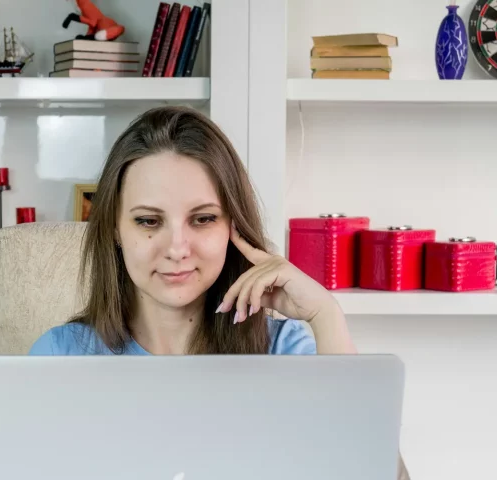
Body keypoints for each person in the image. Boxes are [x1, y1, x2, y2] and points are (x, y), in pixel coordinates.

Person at [29, 106, 409, 477]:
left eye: (203, 219)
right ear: (115, 229)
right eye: (148, 221)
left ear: (233, 227)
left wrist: (326, 314)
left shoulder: (285, 352)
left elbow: (373, 470)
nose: (177, 248)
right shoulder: (60, 355)